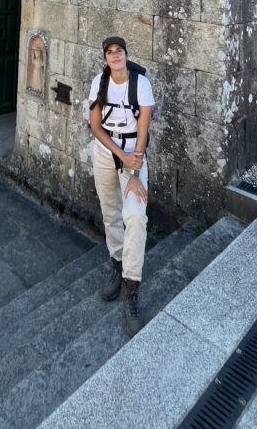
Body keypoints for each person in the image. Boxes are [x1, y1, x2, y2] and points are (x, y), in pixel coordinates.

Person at [88, 36, 154, 336]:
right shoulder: (98, 83)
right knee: (110, 212)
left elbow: (143, 129)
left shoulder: (140, 84)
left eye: (119, 51)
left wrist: (135, 170)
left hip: (134, 156)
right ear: (105, 58)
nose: (115, 56)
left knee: (136, 216)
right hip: (107, 151)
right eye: (110, 53)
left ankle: (131, 287)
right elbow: (95, 126)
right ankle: (117, 264)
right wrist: (120, 155)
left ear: (127, 55)